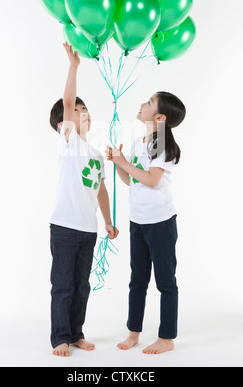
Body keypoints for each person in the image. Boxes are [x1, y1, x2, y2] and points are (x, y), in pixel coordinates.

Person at [49, 42, 119, 357]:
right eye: (76, 110)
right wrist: (74, 67)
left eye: (84, 107)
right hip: (64, 227)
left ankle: (76, 333)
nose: (82, 111)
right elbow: (66, 100)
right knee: (63, 286)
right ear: (63, 123)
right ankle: (60, 337)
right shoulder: (69, 143)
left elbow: (101, 189)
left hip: (88, 230)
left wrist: (107, 222)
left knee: (82, 286)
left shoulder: (94, 153)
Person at [106, 91, 186, 355]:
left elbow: (152, 180)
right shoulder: (140, 141)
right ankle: (133, 332)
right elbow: (132, 180)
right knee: (137, 279)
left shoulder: (162, 142)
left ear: (160, 117)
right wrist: (120, 164)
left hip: (160, 223)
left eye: (149, 103)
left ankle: (166, 337)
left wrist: (124, 163)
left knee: (165, 281)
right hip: (138, 221)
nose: (143, 104)